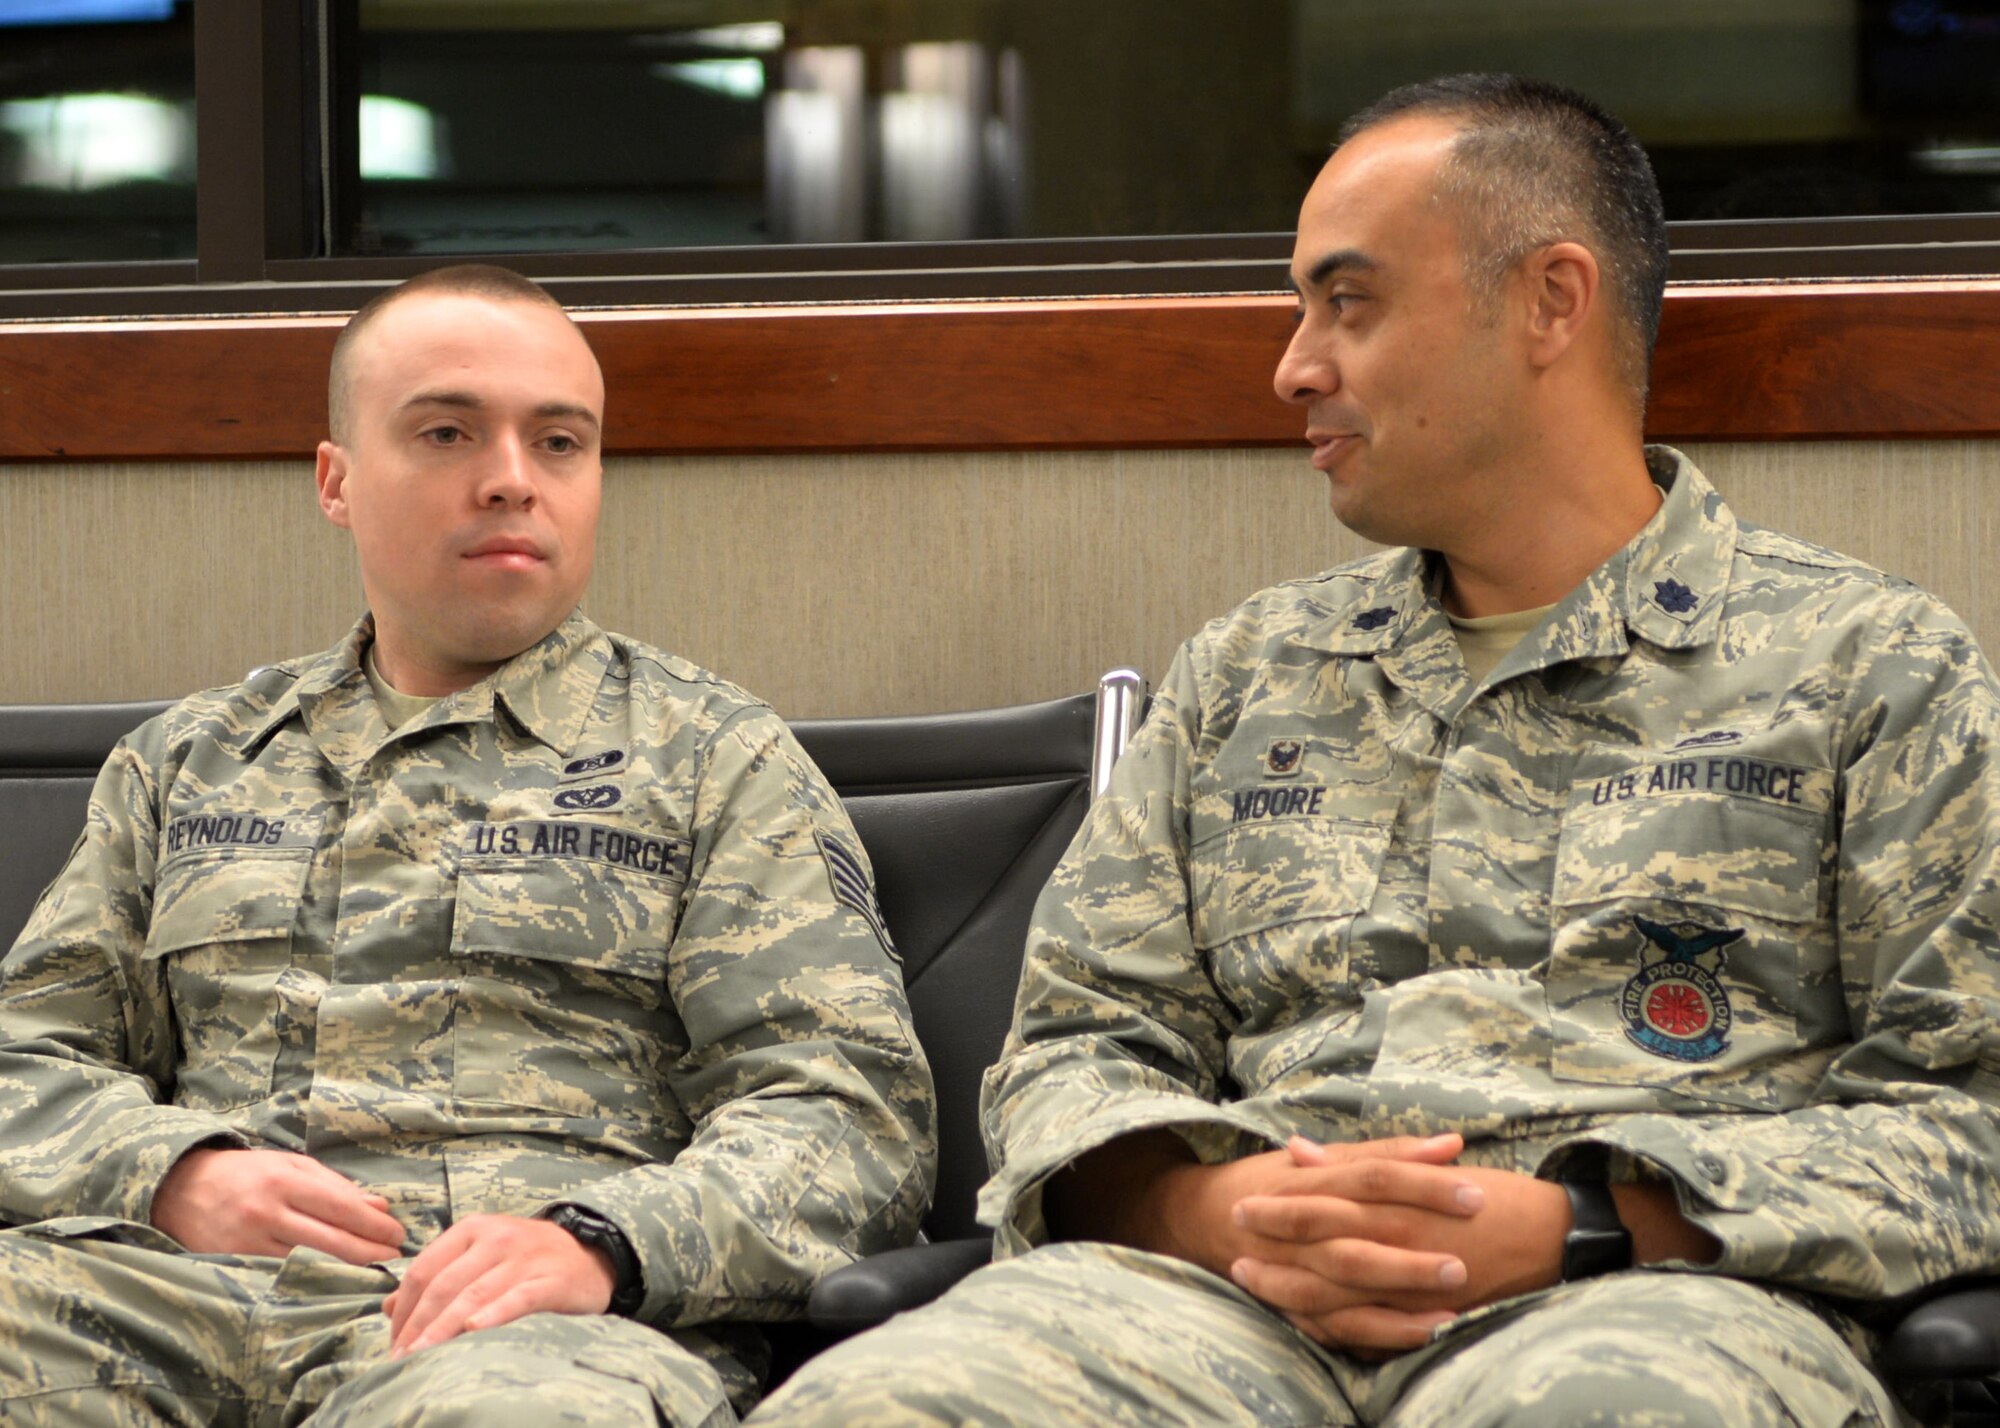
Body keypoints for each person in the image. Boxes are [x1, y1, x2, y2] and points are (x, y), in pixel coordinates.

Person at [749, 74, 2000, 1428]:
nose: (1295, 363)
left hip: (1652, 1300)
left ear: (1552, 301)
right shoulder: (1250, 675)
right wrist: (1211, 1201)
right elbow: (1076, 1048)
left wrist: (1589, 1221)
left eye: (1348, 302)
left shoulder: (1867, 666)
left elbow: (1972, 1119)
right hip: (1218, 1303)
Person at [0, 264, 934, 1427]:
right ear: (336, 481)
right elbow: (27, 1061)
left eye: (559, 444)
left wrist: (605, 1245)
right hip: (159, 1293)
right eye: (447, 432)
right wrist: (171, 1173)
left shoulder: (712, 761)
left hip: (516, 1336)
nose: (510, 482)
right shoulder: (187, 764)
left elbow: (847, 1114)